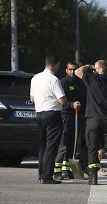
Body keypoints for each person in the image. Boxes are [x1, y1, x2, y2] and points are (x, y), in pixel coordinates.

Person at [75, 60, 107, 185]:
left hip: (92, 119)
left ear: (101, 69)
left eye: (96, 68)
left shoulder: (92, 80)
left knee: (92, 148)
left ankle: (93, 178)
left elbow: (77, 71)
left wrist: (89, 66)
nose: (94, 70)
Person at [30, 55, 67, 184]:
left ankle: (41, 175)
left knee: (43, 146)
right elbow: (62, 100)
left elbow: (32, 98)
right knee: (52, 147)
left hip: (39, 114)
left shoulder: (35, 78)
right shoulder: (54, 80)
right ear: (56, 64)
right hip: (52, 114)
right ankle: (47, 176)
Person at [53, 62, 86, 180]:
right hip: (65, 116)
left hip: (77, 117)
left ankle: (66, 169)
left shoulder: (81, 83)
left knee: (73, 143)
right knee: (63, 144)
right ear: (66, 70)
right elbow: (59, 101)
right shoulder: (63, 82)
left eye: (75, 69)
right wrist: (71, 104)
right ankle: (57, 170)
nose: (72, 72)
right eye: (70, 69)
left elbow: (84, 98)